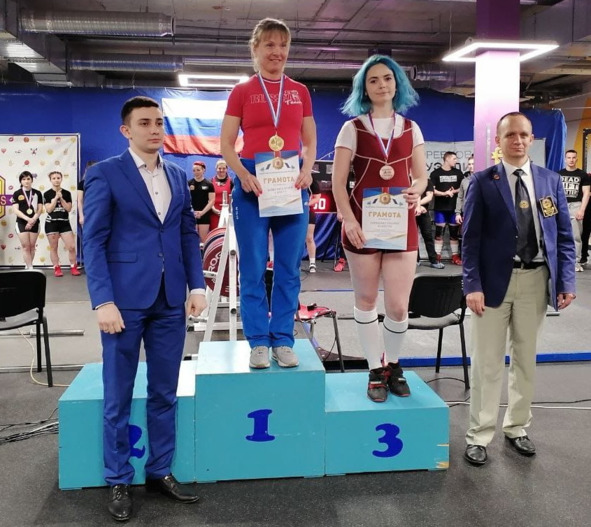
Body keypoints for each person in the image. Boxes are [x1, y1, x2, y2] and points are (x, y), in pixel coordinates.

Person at [83, 96, 206, 522]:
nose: (154, 129)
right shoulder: (104, 173)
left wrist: (197, 285)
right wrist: (103, 300)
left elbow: (187, 234)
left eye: (159, 122)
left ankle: (159, 471)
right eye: (145, 123)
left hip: (171, 300)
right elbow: (93, 241)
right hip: (122, 302)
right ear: (126, 130)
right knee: (118, 394)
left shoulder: (177, 175)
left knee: (164, 392)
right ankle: (118, 477)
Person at [462, 112, 576, 467]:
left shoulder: (550, 181)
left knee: (525, 359)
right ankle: (479, 434)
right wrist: (472, 285)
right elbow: (470, 241)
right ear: (498, 141)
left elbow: (564, 238)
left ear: (531, 138)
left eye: (524, 134)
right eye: (510, 134)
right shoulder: (482, 182)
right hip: (491, 285)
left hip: (536, 280)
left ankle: (516, 427)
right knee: (487, 363)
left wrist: (566, 281)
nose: (518, 140)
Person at [220, 17, 316, 369]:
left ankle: (283, 339)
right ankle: (258, 340)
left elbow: (309, 140)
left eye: (283, 45)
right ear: (256, 48)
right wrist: (243, 174)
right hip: (252, 185)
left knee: (289, 268)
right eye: (270, 44)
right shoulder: (242, 92)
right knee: (253, 267)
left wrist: (307, 169)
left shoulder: (300, 91)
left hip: (290, 185)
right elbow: (226, 144)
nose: (277, 51)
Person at [332, 54, 427, 402]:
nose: (381, 85)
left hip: (401, 225)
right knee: (366, 299)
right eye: (373, 80)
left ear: (397, 84)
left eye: (387, 78)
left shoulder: (411, 128)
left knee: (399, 306)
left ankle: (393, 365)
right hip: (361, 224)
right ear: (364, 88)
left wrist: (417, 190)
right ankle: (375, 369)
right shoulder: (352, 128)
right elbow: (337, 183)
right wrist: (349, 219)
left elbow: (421, 177)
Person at [43, 171, 81, 277]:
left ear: (61, 179)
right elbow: (49, 209)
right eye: (54, 178)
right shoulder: (47, 194)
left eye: (58, 178)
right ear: (50, 180)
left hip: (64, 223)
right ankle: (57, 268)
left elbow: (68, 208)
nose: (56, 180)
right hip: (51, 224)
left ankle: (73, 266)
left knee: (71, 247)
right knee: (53, 247)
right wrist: (55, 198)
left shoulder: (67, 193)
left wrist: (61, 198)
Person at [558, 149, 590, 272]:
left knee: (576, 236)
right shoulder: (558, 174)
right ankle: (560, 261)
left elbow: (586, 193)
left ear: (576, 159)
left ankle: (575, 262)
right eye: (569, 157)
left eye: (573, 157)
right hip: (561, 206)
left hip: (576, 205)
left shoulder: (582, 175)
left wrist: (582, 210)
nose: (571, 160)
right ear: (565, 159)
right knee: (559, 235)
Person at [430, 151, 463, 265]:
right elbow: (432, 190)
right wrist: (444, 193)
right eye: (454, 159)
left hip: (454, 209)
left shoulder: (458, 173)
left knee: (454, 234)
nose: (456, 161)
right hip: (440, 209)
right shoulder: (435, 173)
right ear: (447, 159)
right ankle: (437, 256)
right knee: (439, 234)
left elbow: (463, 188)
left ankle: (455, 256)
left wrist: (454, 191)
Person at [11, 170, 43, 269]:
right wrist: (28, 219)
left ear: (32, 180)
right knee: (26, 246)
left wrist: (33, 220)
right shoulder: (17, 193)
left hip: (35, 222)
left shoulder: (37, 193)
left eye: (28, 179)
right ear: (21, 181)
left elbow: (40, 209)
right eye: (24, 179)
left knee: (32, 246)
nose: (26, 181)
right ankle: (30, 268)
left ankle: (29, 265)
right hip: (21, 222)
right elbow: (16, 210)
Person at [416, 178, 445, 269]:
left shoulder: (427, 181)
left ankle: (434, 260)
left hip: (423, 211)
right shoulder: (407, 181)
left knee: (428, 235)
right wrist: (416, 207)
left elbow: (429, 197)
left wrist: (418, 206)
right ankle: (415, 260)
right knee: (411, 237)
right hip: (409, 211)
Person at [188, 160, 215, 243]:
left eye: (198, 170)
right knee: (192, 238)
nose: (196, 172)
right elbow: (186, 199)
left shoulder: (209, 184)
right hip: (192, 214)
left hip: (204, 214)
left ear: (203, 170)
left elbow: (212, 200)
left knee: (203, 239)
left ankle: (203, 252)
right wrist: (192, 212)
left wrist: (202, 212)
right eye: (194, 170)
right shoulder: (189, 183)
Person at [209, 159, 234, 230]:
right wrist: (213, 209)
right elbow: (208, 199)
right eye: (219, 168)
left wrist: (229, 210)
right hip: (214, 213)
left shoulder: (231, 182)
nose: (221, 170)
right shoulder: (210, 182)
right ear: (216, 169)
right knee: (215, 234)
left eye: (224, 168)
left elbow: (233, 198)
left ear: (227, 169)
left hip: (228, 213)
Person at [306, 177, 321, 273]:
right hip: (291, 212)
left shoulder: (310, 177)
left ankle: (312, 263)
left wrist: (306, 204)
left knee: (309, 238)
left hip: (307, 211)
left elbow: (317, 197)